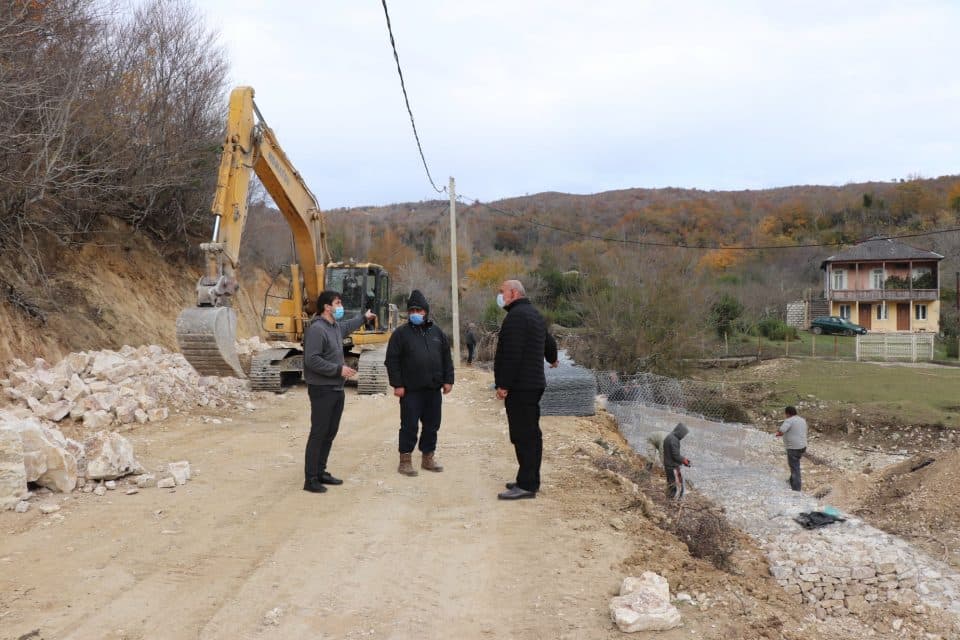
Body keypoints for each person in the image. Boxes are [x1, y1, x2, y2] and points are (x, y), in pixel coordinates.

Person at [302, 290, 375, 493]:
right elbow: (312, 359)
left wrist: (363, 317)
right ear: (327, 307)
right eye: (338, 302)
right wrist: (338, 369)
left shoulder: (334, 327)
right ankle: (310, 479)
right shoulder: (317, 329)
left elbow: (348, 325)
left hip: (336, 388)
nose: (340, 306)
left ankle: (320, 471)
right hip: (322, 389)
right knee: (318, 433)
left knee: (329, 433)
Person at [493, 279, 559, 500]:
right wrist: (553, 358)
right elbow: (548, 341)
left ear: (513, 293)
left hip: (521, 387)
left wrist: (503, 385)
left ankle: (528, 485)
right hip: (532, 385)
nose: (500, 296)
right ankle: (527, 478)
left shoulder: (516, 318)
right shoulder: (533, 314)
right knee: (528, 433)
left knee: (524, 436)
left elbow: (512, 355)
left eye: (502, 292)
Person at [385, 290, 454, 476]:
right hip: (410, 390)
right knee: (409, 425)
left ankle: (428, 458)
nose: (415, 313)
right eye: (412, 310)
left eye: (419, 310)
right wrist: (397, 384)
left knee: (432, 425)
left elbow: (447, 357)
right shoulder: (400, 334)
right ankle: (405, 460)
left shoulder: (437, 333)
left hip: (433, 389)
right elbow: (392, 360)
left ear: (426, 312)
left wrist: (448, 380)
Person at [776, 406, 808, 491]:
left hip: (793, 447)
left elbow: (781, 431)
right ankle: (791, 482)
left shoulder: (789, 420)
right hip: (802, 446)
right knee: (795, 465)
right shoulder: (802, 420)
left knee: (795, 468)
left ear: (787, 413)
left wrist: (777, 434)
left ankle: (796, 490)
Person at [662, 422, 691, 499]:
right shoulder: (674, 440)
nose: (683, 436)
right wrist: (684, 460)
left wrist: (683, 460)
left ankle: (669, 499)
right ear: (680, 432)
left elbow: (672, 454)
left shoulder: (669, 437)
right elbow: (676, 455)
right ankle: (676, 502)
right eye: (683, 434)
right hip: (673, 467)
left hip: (667, 465)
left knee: (671, 484)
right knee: (678, 485)